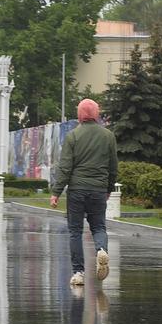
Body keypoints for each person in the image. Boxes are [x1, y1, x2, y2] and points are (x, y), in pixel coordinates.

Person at [49, 98, 118, 288]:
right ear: (96, 115)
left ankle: (78, 273)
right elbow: (113, 167)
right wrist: (108, 189)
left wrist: (56, 192)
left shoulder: (73, 136)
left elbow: (65, 167)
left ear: (80, 115)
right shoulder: (108, 136)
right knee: (98, 227)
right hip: (98, 190)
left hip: (77, 190)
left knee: (75, 231)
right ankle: (101, 250)